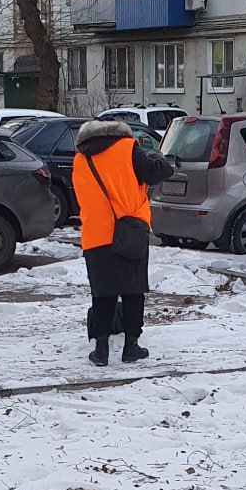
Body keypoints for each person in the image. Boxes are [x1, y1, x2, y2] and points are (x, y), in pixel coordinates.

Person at [71, 119, 174, 366]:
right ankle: (131, 346)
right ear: (120, 133)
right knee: (132, 290)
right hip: (129, 229)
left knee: (103, 292)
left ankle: (101, 350)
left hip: (95, 233)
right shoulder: (127, 147)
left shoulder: (80, 159)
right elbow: (157, 173)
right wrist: (159, 159)